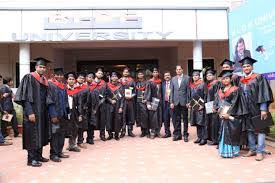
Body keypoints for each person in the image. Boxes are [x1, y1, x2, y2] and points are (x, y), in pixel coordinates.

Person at [14, 57, 51, 167]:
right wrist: (30, 112)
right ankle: (31, 159)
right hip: (32, 113)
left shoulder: (44, 80)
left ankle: (38, 156)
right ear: (36, 67)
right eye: (40, 67)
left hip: (42, 113)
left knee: (41, 134)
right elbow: (25, 97)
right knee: (32, 136)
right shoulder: (29, 78)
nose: (42, 69)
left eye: (44, 67)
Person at [239, 57, 274, 161]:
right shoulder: (241, 80)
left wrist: (263, 109)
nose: (246, 68)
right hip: (246, 109)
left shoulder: (259, 77)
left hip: (257, 108)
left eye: (248, 66)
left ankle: (260, 151)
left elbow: (264, 93)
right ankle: (252, 149)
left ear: (252, 67)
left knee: (261, 130)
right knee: (250, 129)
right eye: (244, 66)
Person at [215, 70, 247, 158]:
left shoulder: (235, 89)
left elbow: (235, 103)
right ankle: (224, 151)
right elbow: (218, 101)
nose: (225, 80)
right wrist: (218, 109)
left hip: (232, 115)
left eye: (227, 78)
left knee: (232, 132)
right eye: (223, 79)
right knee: (223, 132)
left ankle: (233, 151)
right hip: (222, 114)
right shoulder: (220, 90)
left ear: (230, 79)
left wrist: (228, 114)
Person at [48, 68, 70, 162]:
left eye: (61, 75)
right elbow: (49, 101)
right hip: (55, 115)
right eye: (58, 75)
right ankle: (54, 154)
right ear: (54, 75)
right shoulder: (50, 85)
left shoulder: (63, 86)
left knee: (62, 134)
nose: (60, 76)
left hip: (63, 114)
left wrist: (67, 112)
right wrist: (53, 115)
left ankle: (60, 152)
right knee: (55, 134)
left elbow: (66, 101)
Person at [85, 66, 108, 142]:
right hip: (92, 106)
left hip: (102, 104)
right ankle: (91, 136)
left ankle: (102, 135)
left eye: (101, 73)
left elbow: (105, 94)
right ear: (96, 73)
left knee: (102, 120)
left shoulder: (104, 83)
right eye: (99, 73)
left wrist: (101, 102)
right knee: (92, 120)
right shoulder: (91, 83)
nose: (100, 74)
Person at [170, 65, 190, 142]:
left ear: (182, 70)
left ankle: (185, 134)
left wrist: (188, 101)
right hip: (175, 101)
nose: (178, 70)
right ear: (176, 71)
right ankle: (177, 134)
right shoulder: (173, 79)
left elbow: (188, 91)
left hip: (184, 101)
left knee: (185, 119)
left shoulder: (187, 78)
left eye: (180, 69)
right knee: (176, 119)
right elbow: (171, 91)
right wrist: (171, 101)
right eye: (177, 69)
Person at [187, 70, 206, 145]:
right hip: (194, 104)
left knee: (201, 122)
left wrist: (203, 105)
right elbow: (190, 95)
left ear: (199, 76)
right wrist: (189, 103)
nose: (195, 77)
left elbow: (205, 95)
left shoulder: (202, 84)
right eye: (194, 75)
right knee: (197, 122)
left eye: (196, 75)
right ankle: (199, 137)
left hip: (200, 105)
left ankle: (203, 138)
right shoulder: (192, 85)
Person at [65, 72, 81, 152]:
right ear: (67, 80)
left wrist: (80, 114)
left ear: (75, 80)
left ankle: (73, 145)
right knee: (68, 128)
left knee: (75, 128)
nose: (71, 81)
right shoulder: (64, 89)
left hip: (75, 111)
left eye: (73, 79)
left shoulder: (77, 90)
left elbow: (80, 103)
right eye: (69, 79)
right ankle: (69, 144)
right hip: (67, 111)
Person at [106, 71, 124, 140]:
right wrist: (110, 100)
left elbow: (122, 97)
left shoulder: (120, 86)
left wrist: (121, 107)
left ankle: (116, 134)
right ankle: (110, 134)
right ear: (110, 78)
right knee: (109, 119)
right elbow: (105, 95)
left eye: (115, 76)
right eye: (113, 76)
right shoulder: (107, 85)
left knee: (117, 119)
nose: (114, 77)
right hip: (109, 105)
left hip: (118, 105)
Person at [204, 68, 220, 146]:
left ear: (214, 76)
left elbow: (217, 96)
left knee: (215, 123)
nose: (208, 76)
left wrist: (215, 106)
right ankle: (211, 138)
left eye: (210, 75)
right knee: (210, 122)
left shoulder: (216, 83)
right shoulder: (209, 84)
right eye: (207, 75)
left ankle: (215, 140)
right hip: (208, 105)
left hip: (213, 105)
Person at [144, 68, 162, 139]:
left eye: (156, 72)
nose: (155, 73)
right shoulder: (150, 82)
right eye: (154, 72)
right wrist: (148, 103)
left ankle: (158, 131)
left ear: (158, 73)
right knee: (153, 117)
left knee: (159, 117)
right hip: (153, 101)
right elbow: (147, 92)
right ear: (152, 73)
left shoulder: (160, 81)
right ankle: (153, 132)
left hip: (160, 101)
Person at [119, 67, 136, 138]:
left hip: (130, 101)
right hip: (122, 101)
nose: (126, 73)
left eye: (127, 72)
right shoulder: (119, 81)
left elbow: (135, 91)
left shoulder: (132, 81)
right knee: (123, 115)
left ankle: (130, 131)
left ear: (128, 73)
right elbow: (117, 91)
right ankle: (123, 131)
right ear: (122, 73)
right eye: (124, 72)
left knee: (130, 115)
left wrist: (131, 96)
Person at [74, 72, 88, 149]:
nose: (81, 79)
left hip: (82, 109)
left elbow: (88, 100)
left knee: (81, 126)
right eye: (80, 78)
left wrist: (84, 108)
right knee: (73, 126)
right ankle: (72, 143)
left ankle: (80, 141)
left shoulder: (86, 88)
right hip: (74, 109)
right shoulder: (73, 87)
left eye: (83, 78)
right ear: (77, 79)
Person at [135, 69, 149, 137]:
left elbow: (148, 92)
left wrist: (146, 99)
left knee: (145, 116)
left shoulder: (147, 82)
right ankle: (142, 131)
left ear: (143, 75)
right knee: (139, 117)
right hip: (138, 102)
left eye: (141, 74)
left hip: (144, 102)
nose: (140, 75)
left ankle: (147, 131)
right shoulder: (136, 83)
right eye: (139, 74)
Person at [161, 71, 172, 138]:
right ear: (164, 77)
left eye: (168, 75)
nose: (167, 76)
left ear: (170, 76)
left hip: (172, 103)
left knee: (174, 119)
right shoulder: (162, 84)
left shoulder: (173, 83)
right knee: (166, 119)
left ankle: (176, 133)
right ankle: (167, 133)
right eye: (165, 75)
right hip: (165, 104)